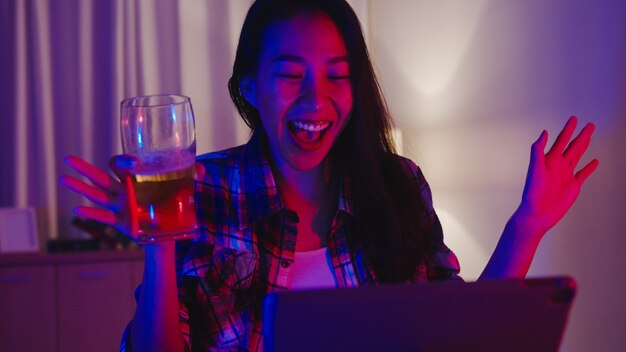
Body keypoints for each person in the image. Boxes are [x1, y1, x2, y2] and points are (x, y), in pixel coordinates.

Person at [60, 0, 599, 351]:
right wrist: (159, 242)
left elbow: (461, 332)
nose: (316, 99)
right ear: (249, 87)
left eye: (337, 76)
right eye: (291, 75)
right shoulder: (202, 190)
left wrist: (527, 225)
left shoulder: (399, 185)